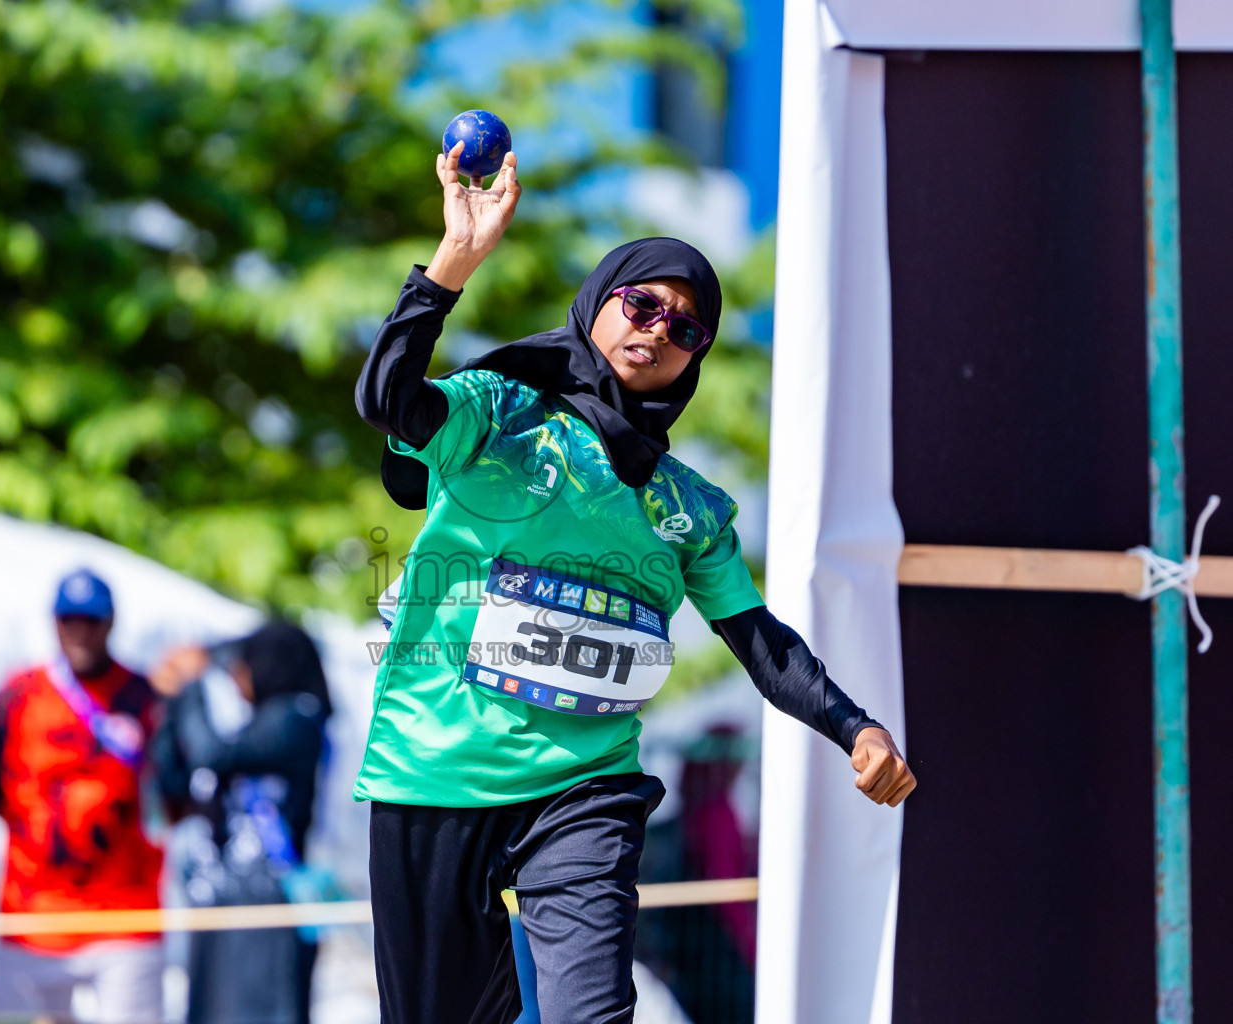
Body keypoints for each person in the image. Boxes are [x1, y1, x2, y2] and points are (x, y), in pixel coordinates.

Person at [352, 143, 919, 1024]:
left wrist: (855, 726)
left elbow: (760, 642)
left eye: (686, 327)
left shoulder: (689, 508)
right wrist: (450, 267)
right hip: (436, 767)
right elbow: (388, 398)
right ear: (599, 302)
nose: (657, 329)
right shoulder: (501, 414)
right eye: (643, 303)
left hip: (586, 784)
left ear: (694, 360)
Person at [0, 569, 164, 1024]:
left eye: (91, 620)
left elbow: (168, 792)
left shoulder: (143, 697)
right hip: (32, 913)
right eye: (69, 619)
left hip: (123, 915)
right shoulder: (17, 694)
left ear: (110, 624)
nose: (80, 632)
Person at [150, 621, 333, 1024]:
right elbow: (178, 778)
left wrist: (194, 682)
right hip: (224, 906)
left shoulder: (298, 719)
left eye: (243, 665)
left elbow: (210, 753)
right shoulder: (257, 726)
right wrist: (172, 704)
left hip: (270, 916)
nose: (234, 678)